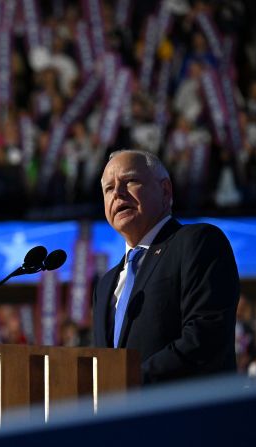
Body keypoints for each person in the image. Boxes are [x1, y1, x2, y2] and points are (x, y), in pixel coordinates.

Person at [93, 149, 240, 384]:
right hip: (122, 418)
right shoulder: (105, 285)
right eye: (109, 189)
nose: (118, 194)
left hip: (186, 415)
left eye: (130, 181)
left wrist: (128, 382)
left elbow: (204, 338)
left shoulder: (197, 242)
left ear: (165, 191)